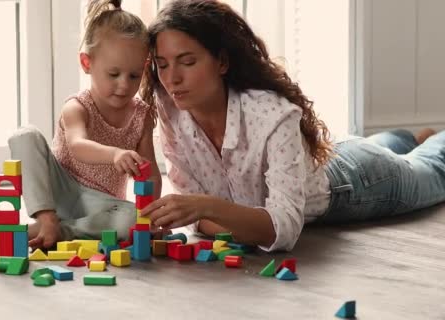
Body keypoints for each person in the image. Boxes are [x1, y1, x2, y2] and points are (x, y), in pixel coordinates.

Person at [138, 0, 445, 252]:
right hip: (322, 159)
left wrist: (210, 209)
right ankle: (407, 137)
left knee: (433, 168)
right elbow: (196, 217)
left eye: (187, 62)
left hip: (356, 182)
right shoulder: (171, 107)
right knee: (379, 149)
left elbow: (283, 229)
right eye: (162, 65)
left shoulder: (271, 114)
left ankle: (425, 142)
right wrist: (220, 216)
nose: (172, 78)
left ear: (222, 62)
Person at [8, 0, 161, 250]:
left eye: (134, 75)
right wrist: (114, 154)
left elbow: (151, 172)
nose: (124, 85)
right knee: (24, 135)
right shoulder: (78, 106)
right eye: (113, 74)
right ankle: (46, 218)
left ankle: (62, 230)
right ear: (87, 63)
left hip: (101, 205)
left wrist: (151, 215)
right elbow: (78, 145)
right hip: (58, 188)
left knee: (133, 219)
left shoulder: (141, 116)